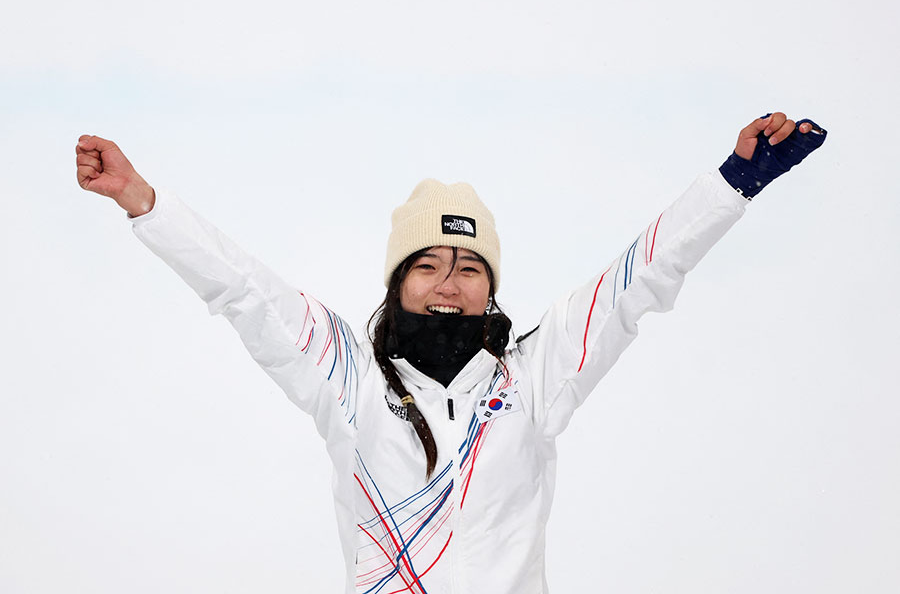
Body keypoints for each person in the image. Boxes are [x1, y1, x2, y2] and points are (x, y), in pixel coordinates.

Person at [74, 113, 826, 594]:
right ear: (399, 281)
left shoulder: (533, 376)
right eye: (427, 264)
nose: (449, 283)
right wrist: (144, 200)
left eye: (469, 268)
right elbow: (247, 290)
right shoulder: (350, 380)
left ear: (489, 288)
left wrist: (733, 185)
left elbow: (637, 280)